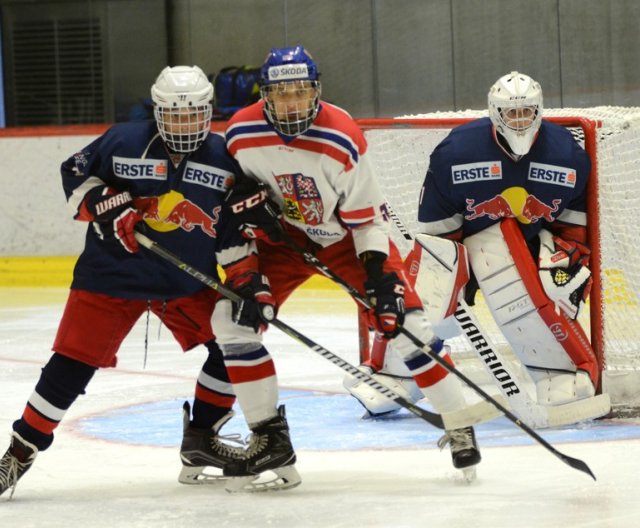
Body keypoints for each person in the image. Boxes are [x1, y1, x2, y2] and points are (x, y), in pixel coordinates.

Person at [210, 45, 484, 491]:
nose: (293, 103)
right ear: (265, 96)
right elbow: (230, 205)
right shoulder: (240, 133)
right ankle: (269, 440)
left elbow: (365, 219)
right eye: (282, 95)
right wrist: (244, 227)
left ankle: (459, 424)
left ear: (316, 91)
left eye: (301, 92)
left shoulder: (341, 136)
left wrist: (378, 277)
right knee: (230, 321)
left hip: (344, 239)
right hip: (280, 241)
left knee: (408, 323)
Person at [0, 65, 255, 499]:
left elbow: (235, 224)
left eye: (193, 115)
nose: (184, 124)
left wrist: (246, 277)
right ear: (157, 113)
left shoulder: (226, 156)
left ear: (208, 112)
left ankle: (201, 439)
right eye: (174, 115)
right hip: (112, 276)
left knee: (236, 345)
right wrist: (104, 201)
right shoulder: (123, 141)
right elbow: (76, 173)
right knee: (71, 364)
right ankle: (19, 452)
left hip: (184, 281)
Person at [401, 71, 606, 420]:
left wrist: (564, 257)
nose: (520, 120)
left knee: (551, 277)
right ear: (494, 113)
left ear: (539, 110)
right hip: (466, 242)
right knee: (426, 286)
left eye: (527, 111)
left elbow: (572, 228)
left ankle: (561, 374)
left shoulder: (567, 155)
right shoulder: (457, 151)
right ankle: (402, 372)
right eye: (512, 113)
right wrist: (453, 277)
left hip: (525, 250)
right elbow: (438, 231)